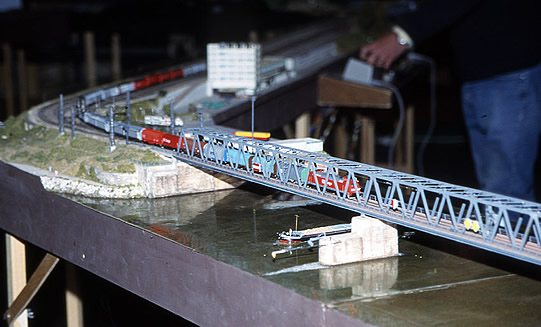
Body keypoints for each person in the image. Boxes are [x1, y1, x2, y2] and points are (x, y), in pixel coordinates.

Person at [360, 0, 541, 202]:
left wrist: (402, 36)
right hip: (489, 73)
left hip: (508, 72)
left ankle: (509, 234)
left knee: (507, 192)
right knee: (496, 188)